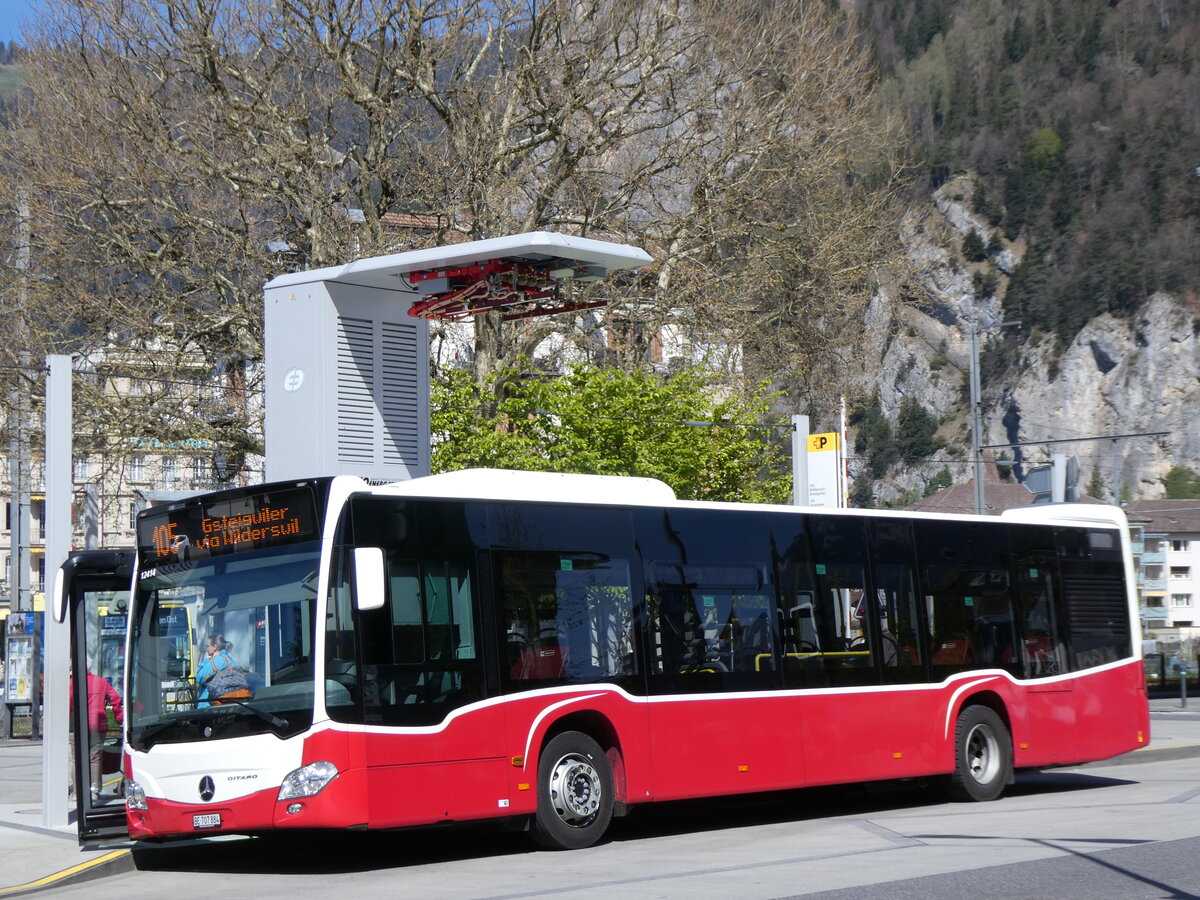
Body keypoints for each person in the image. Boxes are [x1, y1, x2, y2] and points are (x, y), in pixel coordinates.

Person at [73, 670, 123, 802]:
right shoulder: (100, 681)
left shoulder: (72, 682)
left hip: (76, 726)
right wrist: (119, 717)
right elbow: (116, 698)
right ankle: (94, 791)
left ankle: (77, 792)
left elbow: (68, 702)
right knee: (95, 758)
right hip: (97, 725)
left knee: (76, 759)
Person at [196, 633, 246, 706]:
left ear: (215, 647)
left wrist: (206, 659)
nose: (206, 649)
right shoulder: (229, 659)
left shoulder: (217, 661)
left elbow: (199, 678)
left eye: (207, 646)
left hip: (211, 705)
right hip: (231, 703)